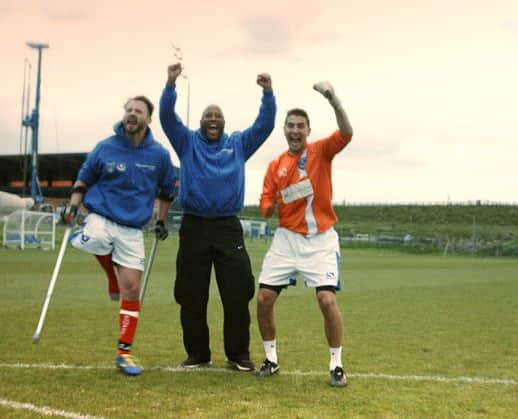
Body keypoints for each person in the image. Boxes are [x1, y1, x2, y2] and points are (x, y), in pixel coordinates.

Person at [159, 63, 276, 371]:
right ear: (199, 123)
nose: (213, 119)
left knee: (237, 293)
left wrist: (268, 93)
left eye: (218, 116)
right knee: (190, 294)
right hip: (194, 226)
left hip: (227, 227)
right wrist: (170, 85)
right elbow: (167, 119)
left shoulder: (238, 144)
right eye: (208, 116)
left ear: (224, 122)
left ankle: (238, 354)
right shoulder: (186, 142)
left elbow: (264, 126)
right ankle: (198, 354)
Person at [63, 95, 176, 376]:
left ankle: (124, 353)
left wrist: (161, 221)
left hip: (133, 229)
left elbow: (166, 191)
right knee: (97, 238)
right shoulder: (105, 147)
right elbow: (84, 178)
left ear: (149, 119)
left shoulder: (160, 156)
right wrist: (72, 207)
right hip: (101, 217)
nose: (131, 114)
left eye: (138, 111)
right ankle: (88, 243)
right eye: (128, 110)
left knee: (132, 290)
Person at [255, 81, 353, 387]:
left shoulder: (321, 151)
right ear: (284, 130)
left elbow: (347, 133)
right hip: (287, 239)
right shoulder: (276, 165)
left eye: (300, 126)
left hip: (321, 239)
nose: (295, 130)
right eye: (290, 126)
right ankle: (271, 359)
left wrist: (333, 99)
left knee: (326, 300)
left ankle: (336, 365)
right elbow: (265, 202)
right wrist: (271, 205)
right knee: (263, 299)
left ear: (308, 130)